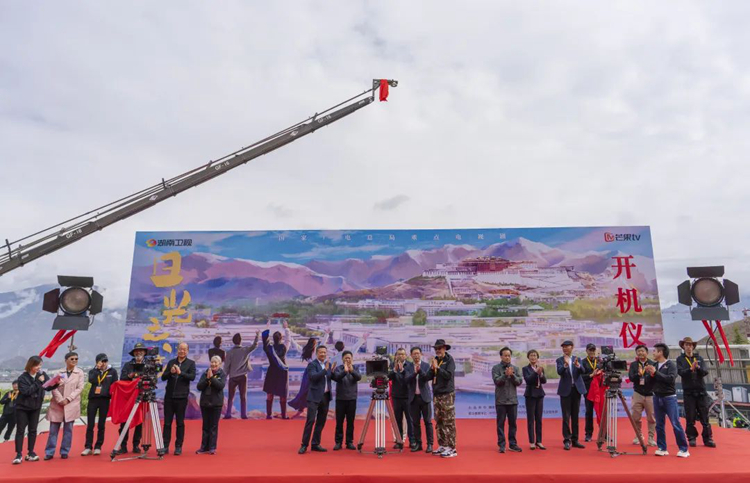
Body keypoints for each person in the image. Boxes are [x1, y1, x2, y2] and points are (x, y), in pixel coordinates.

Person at [645, 343, 689, 457]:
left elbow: (670, 379)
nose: (653, 353)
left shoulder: (671, 365)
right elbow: (649, 382)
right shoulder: (654, 365)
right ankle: (662, 448)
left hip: (669, 398)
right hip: (656, 397)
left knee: (675, 423)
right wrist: (649, 374)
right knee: (659, 424)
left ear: (660, 352)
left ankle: (684, 449)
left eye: (655, 351)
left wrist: (655, 373)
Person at [676, 337, 715, 448]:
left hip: (701, 391)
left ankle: (708, 438)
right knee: (690, 416)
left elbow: (705, 372)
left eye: (690, 345)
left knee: (705, 416)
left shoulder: (699, 358)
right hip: (688, 392)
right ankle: (692, 438)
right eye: (686, 345)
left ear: (693, 346)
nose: (689, 347)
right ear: (683, 346)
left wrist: (697, 367)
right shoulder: (680, 359)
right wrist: (690, 369)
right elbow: (680, 372)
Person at [45, 351, 85, 460]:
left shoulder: (80, 373)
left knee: (68, 431)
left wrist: (68, 399)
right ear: (66, 360)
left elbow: (80, 388)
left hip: (71, 404)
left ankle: (64, 451)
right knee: (53, 430)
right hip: (57, 405)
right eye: (72, 359)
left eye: (76, 359)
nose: (74, 361)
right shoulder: (58, 372)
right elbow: (53, 387)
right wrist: (60, 400)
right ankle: (49, 452)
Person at [13, 356, 53, 465]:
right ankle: (18, 454)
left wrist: (57, 383)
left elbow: (48, 386)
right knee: (20, 430)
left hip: (36, 407)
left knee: (33, 430)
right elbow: (26, 391)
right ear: (31, 365)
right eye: (37, 365)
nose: (39, 367)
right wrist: (38, 382)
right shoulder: (22, 378)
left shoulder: (42, 374)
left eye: (40, 365)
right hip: (23, 407)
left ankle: (31, 452)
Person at [161, 342, 197, 455]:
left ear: (187, 351)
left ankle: (178, 446)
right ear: (177, 350)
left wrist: (181, 373)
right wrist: (170, 373)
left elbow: (192, 377)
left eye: (184, 349)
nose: (182, 351)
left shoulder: (191, 363)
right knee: (167, 423)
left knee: (180, 423)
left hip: (181, 398)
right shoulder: (171, 362)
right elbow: (163, 377)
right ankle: (165, 446)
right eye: (180, 349)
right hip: (169, 397)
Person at [262, 321, 302, 419]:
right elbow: (288, 340)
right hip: (282, 372)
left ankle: (269, 415)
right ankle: (284, 415)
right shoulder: (284, 347)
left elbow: (264, 340)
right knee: (282, 394)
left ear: (273, 339)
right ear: (281, 338)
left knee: (270, 393)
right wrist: (286, 328)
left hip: (271, 371)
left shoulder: (269, 348)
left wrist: (267, 327)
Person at [298, 345, 333, 454]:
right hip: (314, 397)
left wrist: (342, 371)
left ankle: (315, 444)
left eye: (324, 352)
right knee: (311, 421)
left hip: (325, 397)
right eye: (321, 352)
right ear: (317, 353)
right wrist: (325, 370)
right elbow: (313, 377)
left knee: (321, 421)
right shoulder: (312, 365)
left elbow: (332, 377)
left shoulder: (328, 365)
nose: (323, 354)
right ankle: (304, 445)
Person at [425, 339, 457, 458]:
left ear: (444, 348)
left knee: (448, 421)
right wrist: (423, 371)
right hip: (437, 394)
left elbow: (448, 375)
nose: (437, 350)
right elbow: (428, 376)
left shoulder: (449, 360)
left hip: (447, 394)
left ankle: (452, 448)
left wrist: (437, 368)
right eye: (436, 349)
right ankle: (443, 444)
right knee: (439, 421)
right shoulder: (435, 360)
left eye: (440, 348)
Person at [82, 353, 118, 456]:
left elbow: (115, 384)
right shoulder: (93, 371)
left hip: (105, 399)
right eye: (102, 361)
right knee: (90, 424)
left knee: (101, 424)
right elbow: (91, 380)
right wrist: (97, 369)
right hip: (93, 399)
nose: (104, 363)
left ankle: (98, 446)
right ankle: (88, 447)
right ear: (97, 362)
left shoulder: (112, 371)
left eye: (105, 361)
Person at [116, 343, 148, 454]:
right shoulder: (127, 365)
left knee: (139, 421)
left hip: (142, 396)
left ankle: (136, 445)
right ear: (133, 353)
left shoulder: (148, 364)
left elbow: (152, 378)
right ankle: (123, 446)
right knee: (124, 421)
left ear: (144, 352)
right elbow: (122, 378)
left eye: (141, 351)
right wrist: (130, 376)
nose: (139, 353)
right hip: (128, 397)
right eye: (136, 351)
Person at [492, 347, 523, 453]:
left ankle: (513, 444)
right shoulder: (496, 368)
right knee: (500, 424)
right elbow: (497, 381)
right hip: (501, 400)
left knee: (513, 424)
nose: (507, 357)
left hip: (513, 400)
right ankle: (501, 445)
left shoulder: (515, 368)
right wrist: (505, 375)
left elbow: (519, 382)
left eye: (509, 355)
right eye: (505, 355)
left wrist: (512, 375)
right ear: (501, 356)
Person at [556, 340, 586, 450]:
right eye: (563, 347)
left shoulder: (577, 359)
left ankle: (575, 440)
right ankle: (566, 440)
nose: (565, 348)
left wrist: (578, 365)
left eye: (567, 346)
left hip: (576, 390)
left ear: (572, 347)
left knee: (575, 416)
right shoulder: (559, 360)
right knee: (566, 416)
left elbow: (583, 371)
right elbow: (559, 372)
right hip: (565, 391)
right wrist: (564, 365)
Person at [223, 331, 259, 420]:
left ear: (233, 341)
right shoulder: (245, 350)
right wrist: (257, 336)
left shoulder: (229, 352)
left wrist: (224, 377)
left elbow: (226, 366)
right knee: (243, 396)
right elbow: (254, 346)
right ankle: (243, 415)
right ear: (240, 341)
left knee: (231, 397)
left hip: (232, 377)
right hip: (243, 376)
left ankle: (228, 414)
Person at [404, 347, 434, 453]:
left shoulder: (426, 365)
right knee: (415, 423)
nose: (416, 355)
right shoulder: (408, 367)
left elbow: (427, 378)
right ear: (411, 355)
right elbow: (406, 380)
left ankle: (430, 444)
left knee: (428, 422)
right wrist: (415, 373)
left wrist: (420, 370)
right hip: (413, 399)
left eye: (418, 353)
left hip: (425, 398)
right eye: (414, 354)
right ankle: (418, 444)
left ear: (421, 354)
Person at [196, 355, 226, 455]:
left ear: (219, 364)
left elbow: (220, 386)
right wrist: (207, 379)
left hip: (216, 404)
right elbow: (199, 387)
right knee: (205, 426)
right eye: (212, 362)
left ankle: (212, 447)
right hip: (205, 403)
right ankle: (204, 447)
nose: (213, 364)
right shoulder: (205, 373)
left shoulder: (222, 374)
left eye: (215, 362)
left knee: (213, 426)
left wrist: (212, 378)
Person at [331, 350, 361, 450]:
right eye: (346, 358)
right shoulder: (338, 369)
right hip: (340, 399)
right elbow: (336, 377)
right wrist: (345, 371)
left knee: (350, 422)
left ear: (352, 359)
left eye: (349, 358)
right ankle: (338, 442)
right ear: (342, 359)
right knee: (339, 422)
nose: (347, 359)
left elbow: (358, 377)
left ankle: (349, 442)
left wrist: (351, 370)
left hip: (352, 399)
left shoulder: (355, 368)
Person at [628, 344, 656, 446]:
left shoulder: (653, 364)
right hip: (638, 393)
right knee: (635, 416)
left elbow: (656, 378)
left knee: (651, 418)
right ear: (636, 353)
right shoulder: (633, 365)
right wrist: (638, 374)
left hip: (650, 394)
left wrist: (652, 374)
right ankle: (638, 436)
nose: (640, 353)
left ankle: (651, 438)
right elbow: (631, 378)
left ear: (647, 353)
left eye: (642, 351)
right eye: (638, 351)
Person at [389, 347, 414, 449]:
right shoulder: (392, 365)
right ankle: (399, 441)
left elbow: (409, 378)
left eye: (403, 354)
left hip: (407, 396)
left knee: (410, 420)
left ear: (406, 356)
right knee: (398, 420)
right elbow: (388, 377)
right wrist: (394, 370)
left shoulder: (410, 365)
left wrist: (402, 370)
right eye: (399, 354)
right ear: (396, 356)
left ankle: (412, 441)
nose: (401, 356)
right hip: (396, 397)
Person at [288, 337, 319, 418]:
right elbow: (323, 343)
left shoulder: (306, 350)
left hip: (308, 371)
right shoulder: (316, 350)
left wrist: (291, 338)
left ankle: (301, 408)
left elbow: (296, 346)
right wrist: (327, 334)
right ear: (314, 343)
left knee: (304, 390)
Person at [522, 349, 546, 450]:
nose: (533, 357)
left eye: (535, 355)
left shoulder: (540, 368)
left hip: (540, 394)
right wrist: (536, 373)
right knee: (531, 419)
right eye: (531, 355)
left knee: (539, 419)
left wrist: (541, 374)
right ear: (528, 357)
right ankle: (532, 441)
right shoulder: (525, 369)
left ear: (537, 357)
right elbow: (528, 380)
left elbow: (544, 381)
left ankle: (539, 441)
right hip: (530, 395)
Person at [580, 343, 602, 442]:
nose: (592, 352)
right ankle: (588, 434)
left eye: (593, 350)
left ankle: (604, 433)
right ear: (586, 351)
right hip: (588, 391)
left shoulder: (600, 361)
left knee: (601, 412)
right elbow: (580, 377)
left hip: (599, 391)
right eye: (590, 350)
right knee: (589, 412)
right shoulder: (582, 362)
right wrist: (591, 375)